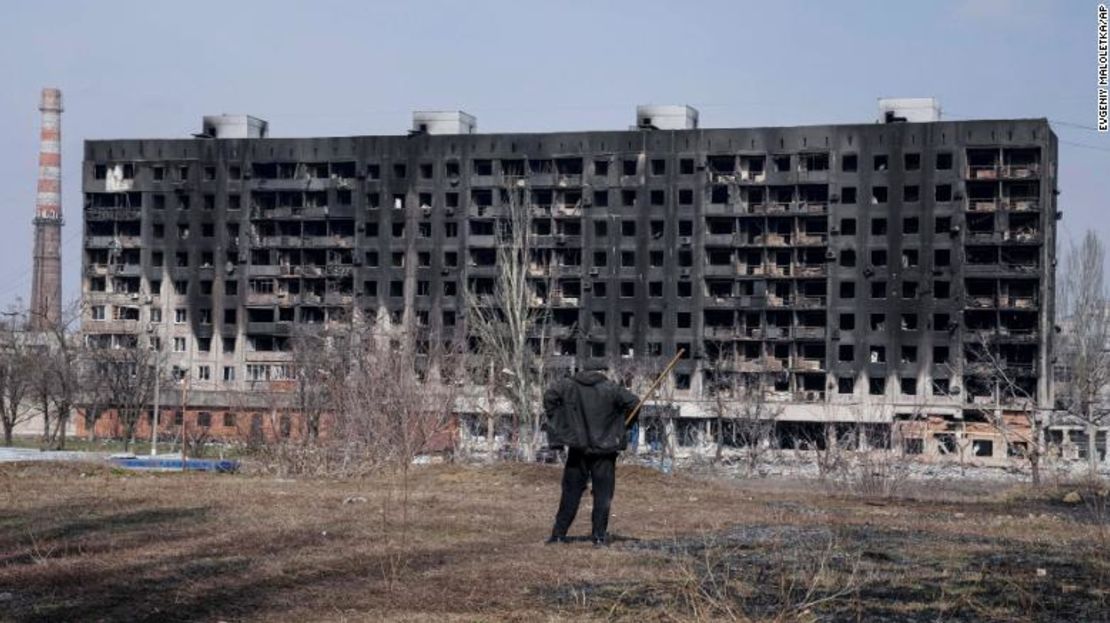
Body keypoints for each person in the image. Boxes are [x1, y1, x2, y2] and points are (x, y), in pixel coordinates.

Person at [542, 360, 640, 546]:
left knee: (570, 492)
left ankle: (558, 535)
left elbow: (549, 397)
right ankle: (599, 537)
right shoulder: (611, 389)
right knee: (603, 495)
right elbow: (634, 403)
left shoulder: (567, 385)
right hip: (605, 451)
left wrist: (563, 425)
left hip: (577, 448)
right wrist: (620, 424)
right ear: (602, 371)